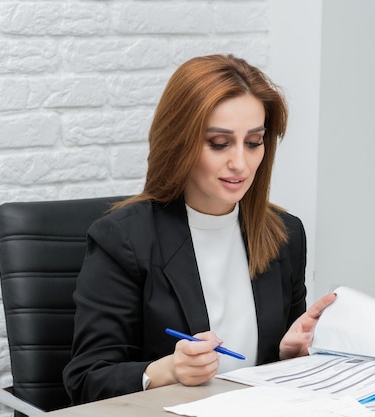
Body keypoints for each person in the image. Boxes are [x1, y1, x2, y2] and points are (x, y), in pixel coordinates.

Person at [62, 54, 337, 404]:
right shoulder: (123, 239)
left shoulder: (285, 234)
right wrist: (167, 371)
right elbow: (87, 379)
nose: (240, 162)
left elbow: (265, 369)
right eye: (219, 143)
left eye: (253, 142)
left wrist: (289, 356)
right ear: (180, 142)